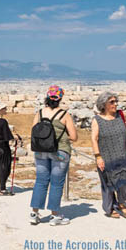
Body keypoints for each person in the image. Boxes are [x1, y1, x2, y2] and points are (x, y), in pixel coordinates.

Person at [29, 85, 78, 226]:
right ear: (60, 98)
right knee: (56, 183)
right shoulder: (64, 114)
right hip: (60, 151)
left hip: (40, 151)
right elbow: (74, 137)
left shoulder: (39, 113)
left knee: (40, 181)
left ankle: (34, 214)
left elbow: (33, 131)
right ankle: (55, 216)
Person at [91, 91, 126, 219]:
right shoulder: (97, 120)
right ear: (104, 104)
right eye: (112, 102)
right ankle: (110, 207)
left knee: (123, 182)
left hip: (122, 155)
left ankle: (122, 205)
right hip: (106, 156)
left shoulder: (120, 115)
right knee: (108, 183)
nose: (115, 104)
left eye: (116, 101)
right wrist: (98, 157)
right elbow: (94, 139)